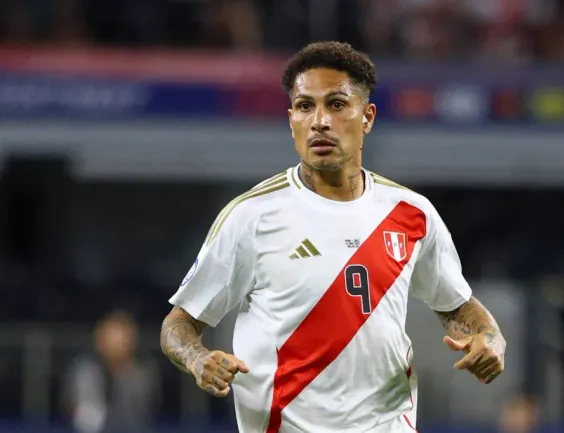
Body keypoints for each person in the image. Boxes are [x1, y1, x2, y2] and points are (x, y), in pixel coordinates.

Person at [160, 41, 507, 433]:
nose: (320, 121)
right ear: (291, 119)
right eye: (305, 106)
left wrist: (489, 338)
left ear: (368, 117)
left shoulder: (411, 214)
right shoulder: (251, 216)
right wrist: (196, 359)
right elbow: (179, 324)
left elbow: (456, 306)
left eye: (337, 104)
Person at [62, 310, 159, 433]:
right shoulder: (85, 371)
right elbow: (83, 416)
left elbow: (139, 414)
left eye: (121, 338)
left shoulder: (143, 372)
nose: (116, 344)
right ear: (99, 340)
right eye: (111, 337)